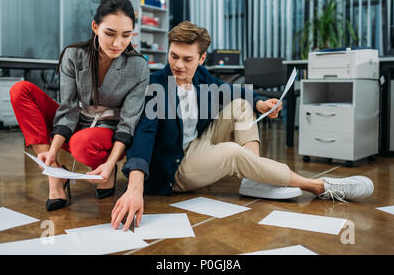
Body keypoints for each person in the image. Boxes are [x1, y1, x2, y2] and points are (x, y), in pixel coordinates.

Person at [110, 21, 374, 231]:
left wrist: (260, 103)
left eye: (187, 59)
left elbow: (230, 90)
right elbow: (143, 135)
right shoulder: (155, 84)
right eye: (174, 56)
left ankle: (252, 179)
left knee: (240, 104)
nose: (178, 65)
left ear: (201, 59)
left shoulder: (201, 76)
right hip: (173, 171)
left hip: (194, 146)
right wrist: (135, 188)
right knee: (234, 153)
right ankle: (321, 187)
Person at [10, 0, 150, 211]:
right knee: (21, 91)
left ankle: (104, 170)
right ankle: (54, 175)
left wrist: (110, 163)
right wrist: (54, 151)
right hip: (77, 122)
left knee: (82, 143)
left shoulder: (138, 66)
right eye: (110, 33)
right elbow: (68, 109)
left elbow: (128, 122)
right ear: (95, 27)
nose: (117, 43)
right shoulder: (73, 55)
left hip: (109, 133)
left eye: (126, 35)